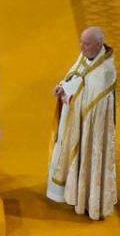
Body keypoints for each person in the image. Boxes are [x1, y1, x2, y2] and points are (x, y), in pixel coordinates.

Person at [47, 26, 116, 220]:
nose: (82, 47)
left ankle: (91, 202)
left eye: (86, 44)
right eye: (81, 42)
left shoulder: (105, 72)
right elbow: (75, 75)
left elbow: (88, 96)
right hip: (75, 121)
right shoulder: (86, 55)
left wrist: (68, 95)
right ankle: (75, 194)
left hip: (92, 129)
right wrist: (62, 86)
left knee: (90, 158)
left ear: (99, 45)